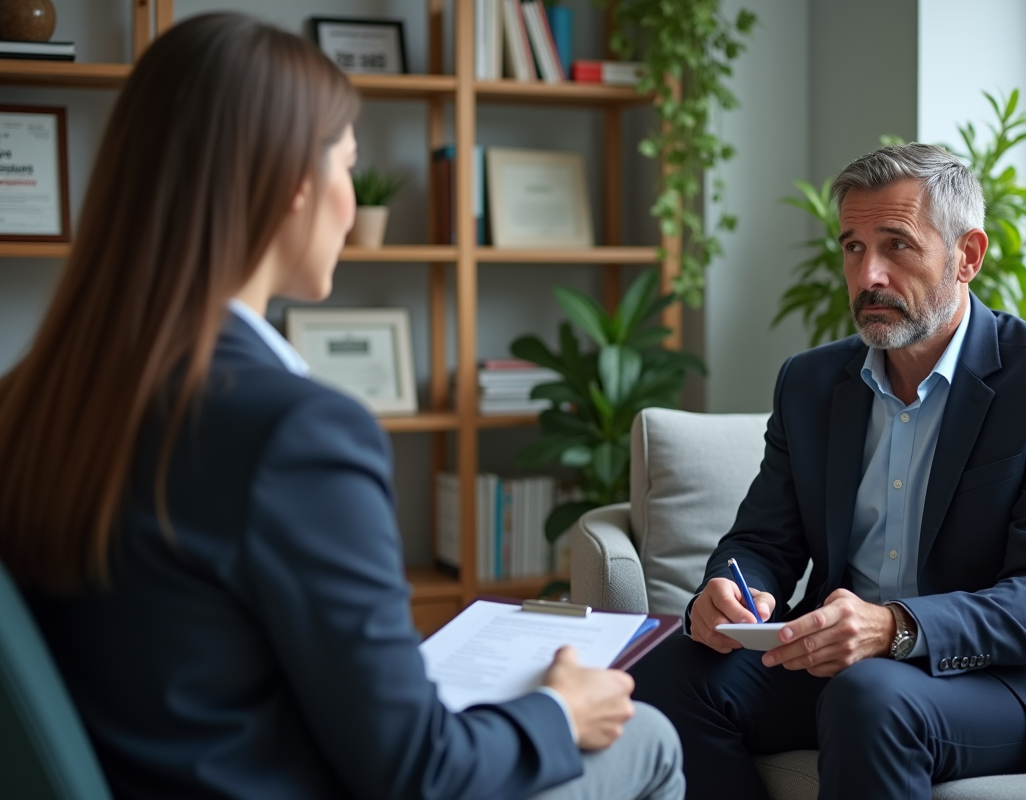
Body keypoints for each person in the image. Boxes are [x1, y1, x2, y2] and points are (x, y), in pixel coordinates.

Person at [0, 13, 682, 800]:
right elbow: (418, 772)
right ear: (293, 182)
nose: (353, 207)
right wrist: (557, 713)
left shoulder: (32, 401)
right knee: (650, 738)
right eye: (349, 168)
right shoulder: (294, 433)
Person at [628, 143, 1026, 799]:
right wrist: (738, 591)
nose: (868, 273)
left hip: (1016, 678)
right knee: (670, 671)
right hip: (848, 660)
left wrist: (896, 627)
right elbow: (762, 541)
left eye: (896, 245)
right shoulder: (811, 383)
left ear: (968, 256)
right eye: (851, 247)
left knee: (871, 694)